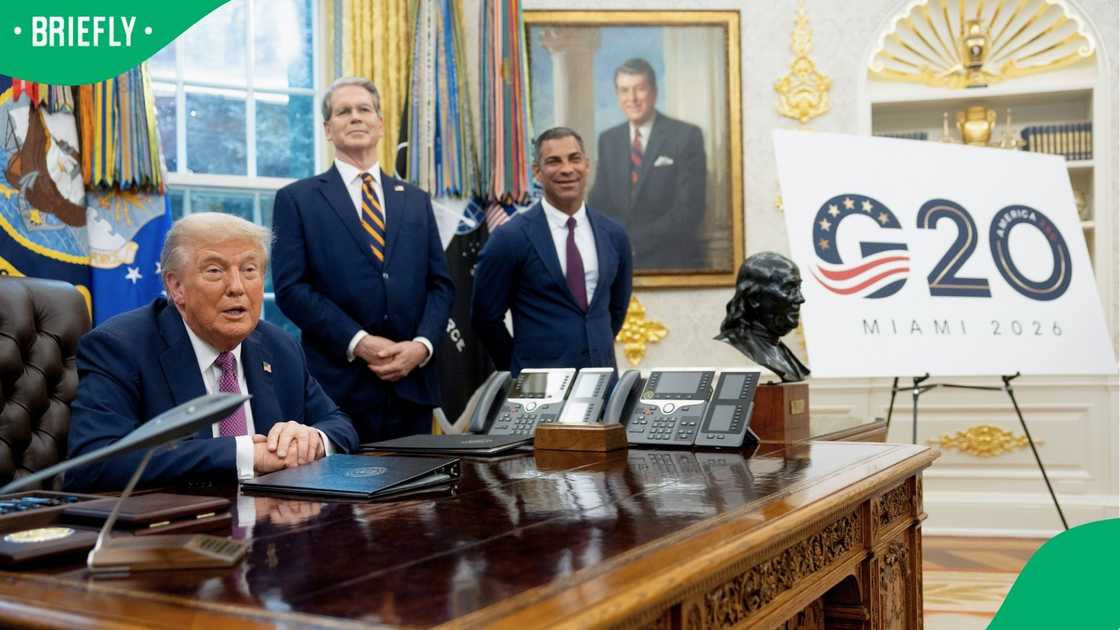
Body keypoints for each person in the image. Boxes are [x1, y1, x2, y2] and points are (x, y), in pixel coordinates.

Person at [65, 213, 359, 492]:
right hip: (173, 532)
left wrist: (313, 440)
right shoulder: (121, 347)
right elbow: (94, 462)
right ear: (176, 286)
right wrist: (245, 454)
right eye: (215, 271)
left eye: (249, 270)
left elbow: (340, 424)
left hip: (273, 525)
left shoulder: (279, 346)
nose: (237, 287)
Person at [272, 77, 454, 442]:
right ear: (327, 128)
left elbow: (441, 285)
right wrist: (358, 341)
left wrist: (421, 347)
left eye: (364, 109)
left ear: (380, 124)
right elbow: (291, 288)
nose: (355, 117)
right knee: (339, 499)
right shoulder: (297, 199)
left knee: (413, 497)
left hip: (411, 386)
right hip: (337, 388)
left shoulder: (416, 199)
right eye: (343, 111)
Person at [472, 127, 633, 375]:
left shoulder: (614, 235)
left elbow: (617, 309)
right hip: (538, 391)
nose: (567, 169)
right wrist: (518, 369)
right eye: (554, 161)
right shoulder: (511, 238)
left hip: (601, 384)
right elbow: (485, 318)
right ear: (537, 172)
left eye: (574, 159)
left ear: (586, 165)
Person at [588, 57, 707, 272]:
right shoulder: (608, 139)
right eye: (624, 90)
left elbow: (689, 210)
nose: (631, 98)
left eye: (639, 89)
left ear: (654, 92)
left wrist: (633, 242)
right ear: (617, 95)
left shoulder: (686, 136)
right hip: (618, 262)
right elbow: (599, 202)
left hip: (672, 263)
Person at [715, 252, 810, 382]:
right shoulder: (738, 348)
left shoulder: (778, 349)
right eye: (788, 289)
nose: (800, 299)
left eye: (798, 288)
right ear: (754, 298)